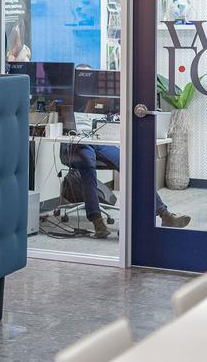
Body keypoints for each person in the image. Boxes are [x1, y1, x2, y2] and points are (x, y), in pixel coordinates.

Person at [67, 65, 191, 238]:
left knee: (129, 165)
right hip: (78, 141)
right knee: (88, 167)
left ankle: (164, 214)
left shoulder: (100, 96)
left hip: (100, 140)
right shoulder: (70, 98)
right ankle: (97, 221)